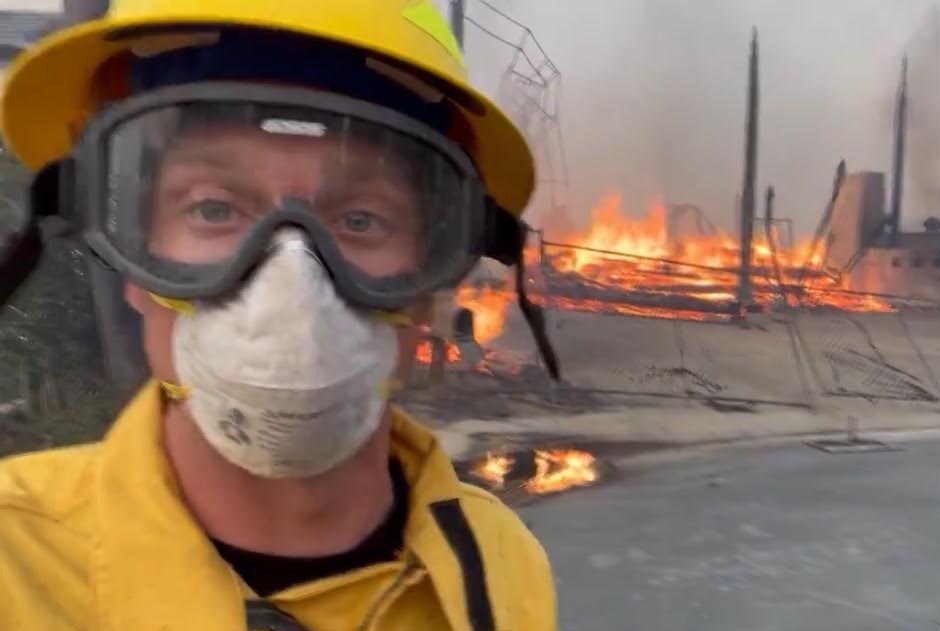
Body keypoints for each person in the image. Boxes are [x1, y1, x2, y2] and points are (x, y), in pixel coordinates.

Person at [0, 1, 559, 629]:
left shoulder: (500, 568)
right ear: (134, 265)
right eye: (213, 209)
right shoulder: (15, 567)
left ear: (431, 287)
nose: (291, 282)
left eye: (359, 220)